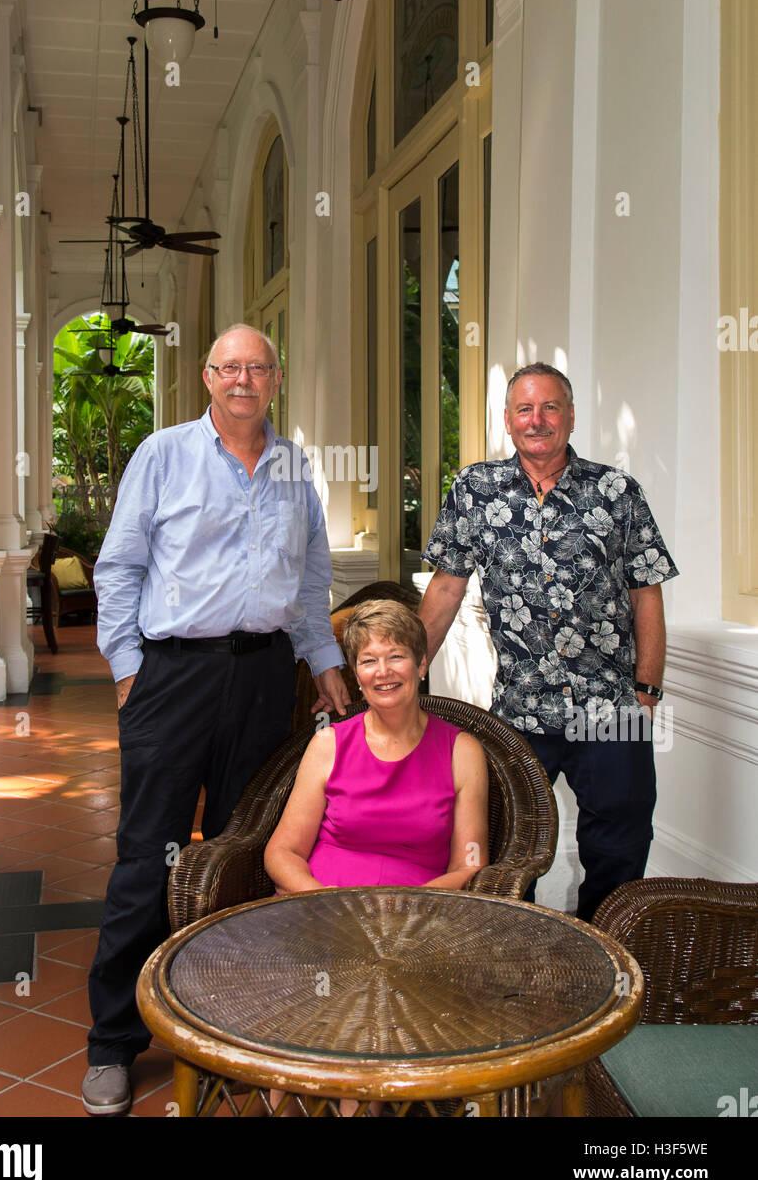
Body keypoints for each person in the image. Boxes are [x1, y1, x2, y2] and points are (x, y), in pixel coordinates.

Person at [83, 323, 350, 1116]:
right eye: (228, 367)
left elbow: (311, 579)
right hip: (174, 677)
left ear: (275, 378)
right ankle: (112, 1041)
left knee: (247, 851)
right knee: (146, 857)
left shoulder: (295, 466)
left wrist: (325, 665)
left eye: (256, 368)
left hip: (266, 677)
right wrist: (131, 670)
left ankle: (231, 1024)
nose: (242, 379)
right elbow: (120, 568)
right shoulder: (163, 454)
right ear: (207, 378)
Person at [418, 362, 678, 923]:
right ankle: (517, 959)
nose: (538, 420)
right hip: (520, 708)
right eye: (525, 410)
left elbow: (646, 593)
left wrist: (648, 690)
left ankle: (602, 967)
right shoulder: (474, 490)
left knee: (618, 846)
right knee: (510, 847)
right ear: (508, 421)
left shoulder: (616, 490)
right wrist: (411, 670)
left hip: (611, 707)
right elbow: (445, 587)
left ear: (572, 417)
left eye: (551, 407)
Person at [264, 600, 489, 895]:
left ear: (421, 663)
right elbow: (283, 852)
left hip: (417, 917)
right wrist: (322, 898)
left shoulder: (462, 752)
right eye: (368, 661)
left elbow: (470, 865)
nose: (383, 672)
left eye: (396, 656)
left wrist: (407, 905)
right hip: (320, 906)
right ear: (357, 676)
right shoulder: (328, 744)